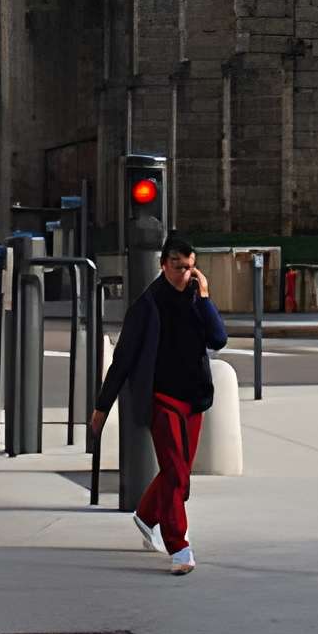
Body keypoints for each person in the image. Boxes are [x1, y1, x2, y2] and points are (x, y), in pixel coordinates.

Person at [89, 233, 226, 575]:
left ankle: (147, 514)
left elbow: (219, 339)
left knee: (175, 472)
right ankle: (179, 548)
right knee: (177, 474)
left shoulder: (197, 300)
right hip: (162, 398)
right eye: (178, 267)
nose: (184, 274)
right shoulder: (147, 306)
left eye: (190, 268)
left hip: (194, 399)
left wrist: (205, 297)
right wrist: (101, 408)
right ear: (163, 265)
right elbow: (122, 361)